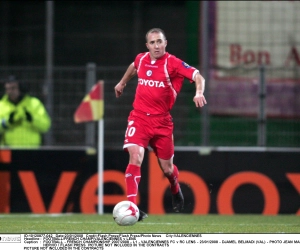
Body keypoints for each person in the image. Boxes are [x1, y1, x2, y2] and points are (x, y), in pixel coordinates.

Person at [114, 28, 207, 221]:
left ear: (165, 43)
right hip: (139, 117)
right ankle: (132, 207)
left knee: (167, 169)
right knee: (135, 154)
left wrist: (198, 92)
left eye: (159, 42)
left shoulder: (172, 63)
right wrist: (122, 83)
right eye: (152, 43)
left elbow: (198, 76)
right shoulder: (142, 59)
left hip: (162, 122)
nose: (156, 46)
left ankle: (175, 186)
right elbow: (133, 66)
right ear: (147, 46)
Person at [0, 75, 51, 147]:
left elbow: (45, 126)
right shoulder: (1, 105)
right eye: (7, 89)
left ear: (21, 88)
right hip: (8, 150)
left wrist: (32, 119)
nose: (10, 92)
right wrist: (8, 121)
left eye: (13, 88)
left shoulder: (34, 103)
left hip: (31, 150)